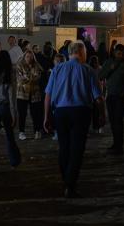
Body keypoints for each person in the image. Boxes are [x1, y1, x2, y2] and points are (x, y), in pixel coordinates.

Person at [43, 40, 102, 198]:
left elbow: (48, 95)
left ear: (69, 53)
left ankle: (66, 179)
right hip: (81, 112)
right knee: (77, 149)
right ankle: (70, 183)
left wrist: (46, 116)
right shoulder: (87, 70)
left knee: (64, 147)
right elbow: (97, 96)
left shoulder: (57, 69)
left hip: (61, 112)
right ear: (82, 53)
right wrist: (102, 114)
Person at [98, 43, 124, 154]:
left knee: (118, 120)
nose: (120, 56)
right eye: (118, 53)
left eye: (122, 54)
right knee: (113, 121)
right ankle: (115, 143)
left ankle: (119, 146)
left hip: (121, 96)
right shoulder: (109, 63)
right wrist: (110, 69)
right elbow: (100, 76)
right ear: (114, 53)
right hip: (111, 95)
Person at [14, 47, 44, 140]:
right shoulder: (19, 65)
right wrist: (31, 78)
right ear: (24, 57)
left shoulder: (37, 65)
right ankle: (21, 132)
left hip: (34, 93)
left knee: (35, 113)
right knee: (22, 113)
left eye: (31, 57)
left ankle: (37, 131)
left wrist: (27, 78)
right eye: (27, 57)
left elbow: (38, 77)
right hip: (22, 94)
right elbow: (20, 79)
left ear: (33, 57)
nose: (29, 59)